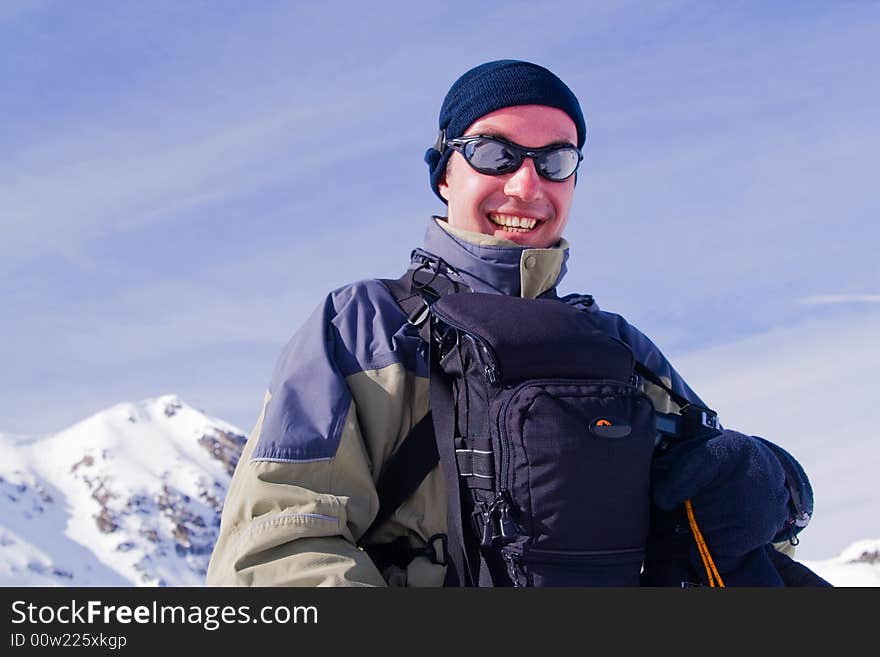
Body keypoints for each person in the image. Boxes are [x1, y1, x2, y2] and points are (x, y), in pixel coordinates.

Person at [206, 59, 818, 587]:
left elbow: (729, 531)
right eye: (496, 154)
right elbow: (277, 547)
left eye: (556, 159)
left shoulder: (618, 348)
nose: (526, 184)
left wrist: (765, 488)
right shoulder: (364, 326)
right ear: (445, 172)